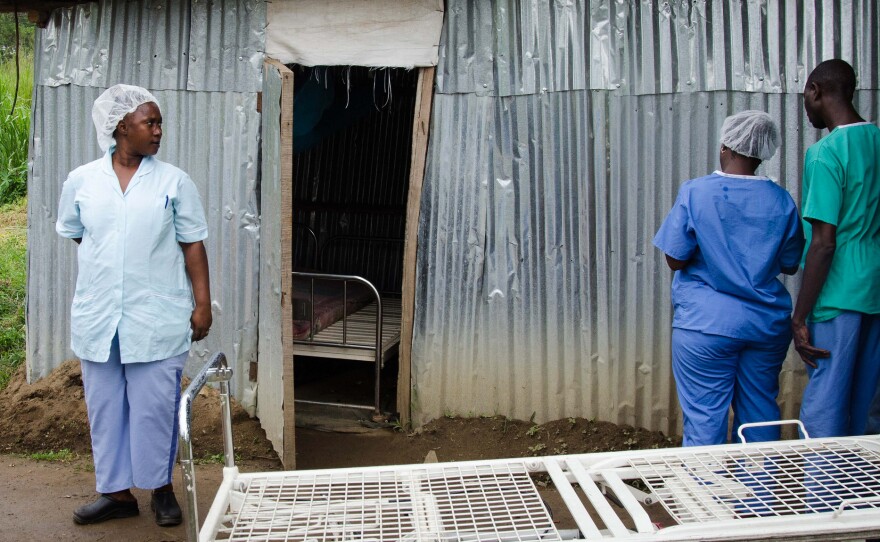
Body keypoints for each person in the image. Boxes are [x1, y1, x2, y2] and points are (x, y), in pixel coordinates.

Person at [56, 84, 212, 526]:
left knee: (155, 407)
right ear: (122, 126)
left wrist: (203, 304)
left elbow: (193, 245)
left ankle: (161, 489)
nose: (159, 130)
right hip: (100, 315)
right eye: (151, 122)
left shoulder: (173, 181)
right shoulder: (83, 180)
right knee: (106, 409)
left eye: (159, 122)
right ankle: (116, 494)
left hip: (156, 316)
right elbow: (76, 231)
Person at [653, 111, 804, 446]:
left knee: (706, 418)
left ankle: (705, 496)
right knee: (760, 411)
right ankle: (757, 497)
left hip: (705, 326)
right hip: (765, 326)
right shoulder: (782, 202)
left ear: (726, 147)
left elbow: (675, 259)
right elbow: (790, 264)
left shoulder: (696, 192)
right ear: (762, 152)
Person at [793, 59, 880, 438]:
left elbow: (825, 243)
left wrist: (800, 316)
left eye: (805, 98)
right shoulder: (877, 140)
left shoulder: (825, 153)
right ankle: (863, 495)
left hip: (838, 292)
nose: (807, 109)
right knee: (867, 402)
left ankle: (821, 495)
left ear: (815, 91)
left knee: (827, 400)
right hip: (875, 289)